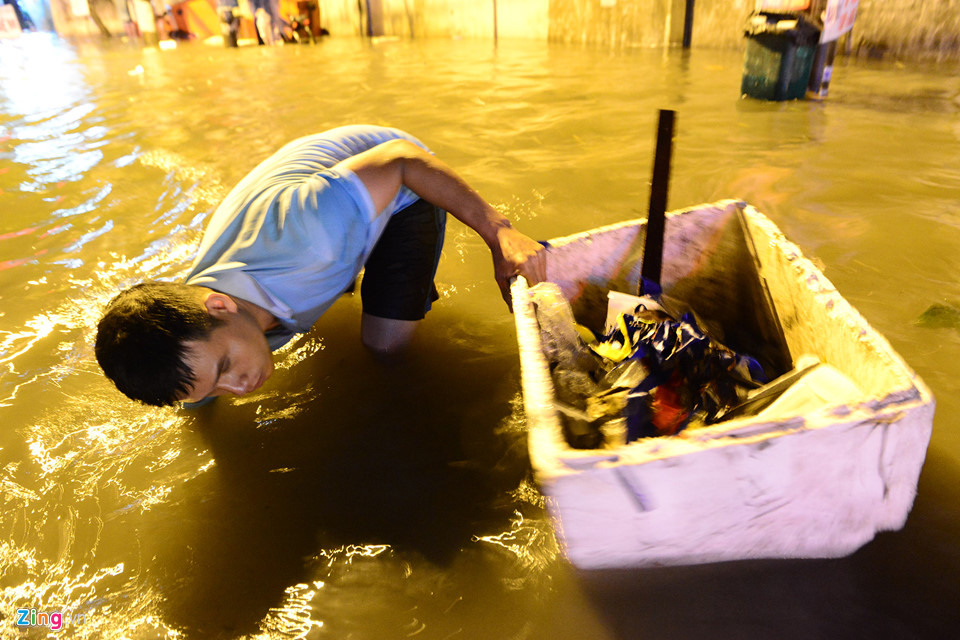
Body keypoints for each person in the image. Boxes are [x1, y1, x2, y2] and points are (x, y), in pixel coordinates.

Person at [95, 125, 547, 407]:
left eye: (227, 368)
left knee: (385, 348)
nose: (239, 387)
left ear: (218, 306)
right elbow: (203, 385)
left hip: (400, 181)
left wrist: (499, 233)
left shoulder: (309, 235)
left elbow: (403, 160)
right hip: (324, 202)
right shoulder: (191, 359)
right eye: (216, 388)